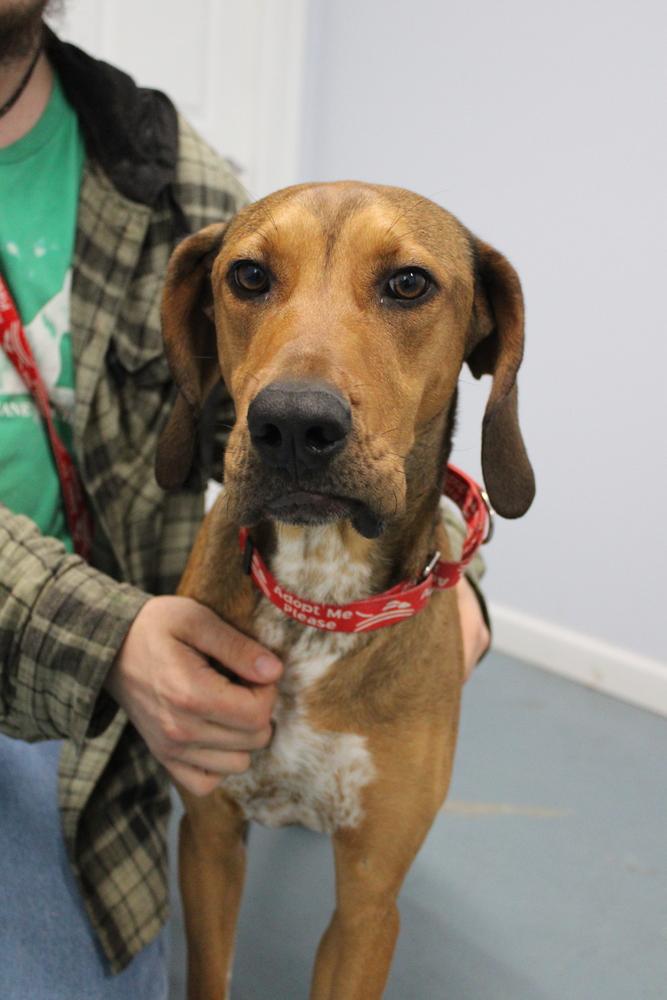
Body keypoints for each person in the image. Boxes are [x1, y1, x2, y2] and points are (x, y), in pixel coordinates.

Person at [0, 3, 490, 997]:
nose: (296, 403)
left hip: (152, 687)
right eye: (256, 282)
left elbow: (382, 409)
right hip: (82, 658)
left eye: (403, 285)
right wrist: (107, 639)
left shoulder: (174, 178)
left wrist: (464, 583)